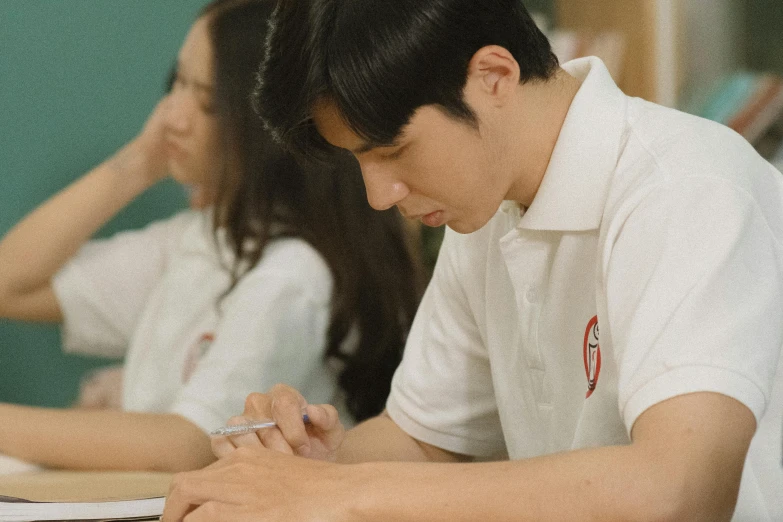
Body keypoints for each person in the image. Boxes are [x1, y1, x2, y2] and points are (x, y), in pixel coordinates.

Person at [161, 0, 783, 520]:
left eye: (395, 152)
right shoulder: (485, 212)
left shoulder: (682, 187)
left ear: (494, 75)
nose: (380, 196)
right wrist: (309, 467)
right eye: (360, 163)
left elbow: (682, 489)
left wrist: (340, 492)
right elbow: (425, 441)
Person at [0, 0, 421, 473]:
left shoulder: (294, 272)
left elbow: (189, 443)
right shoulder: (202, 240)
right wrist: (139, 163)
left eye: (205, 101)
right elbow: (10, 284)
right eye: (175, 84)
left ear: (266, 126)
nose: (170, 116)